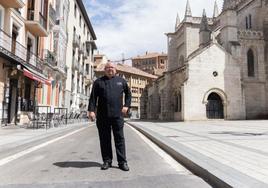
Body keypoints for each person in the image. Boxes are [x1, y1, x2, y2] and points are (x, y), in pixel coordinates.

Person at [88, 62, 131, 171]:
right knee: (104, 139)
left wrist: (126, 106)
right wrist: (91, 111)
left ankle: (122, 162)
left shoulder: (121, 81)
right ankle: (107, 161)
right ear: (104, 70)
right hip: (102, 116)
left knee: (119, 139)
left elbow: (128, 94)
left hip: (117, 116)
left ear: (116, 70)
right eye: (107, 68)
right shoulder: (98, 82)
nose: (110, 69)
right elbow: (93, 97)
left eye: (112, 67)